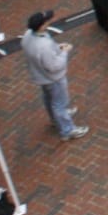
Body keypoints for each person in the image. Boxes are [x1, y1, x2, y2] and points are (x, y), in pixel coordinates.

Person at [21, 10, 87, 142]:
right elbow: (53, 66)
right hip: (53, 79)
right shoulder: (43, 46)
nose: (48, 22)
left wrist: (57, 48)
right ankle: (67, 130)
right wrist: (64, 52)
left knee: (49, 98)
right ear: (41, 26)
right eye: (46, 21)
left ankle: (55, 119)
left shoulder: (28, 35)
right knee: (59, 104)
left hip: (41, 77)